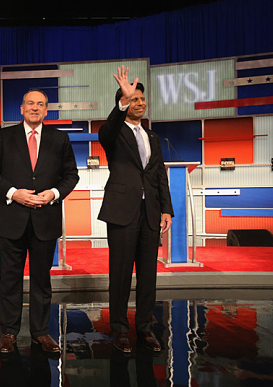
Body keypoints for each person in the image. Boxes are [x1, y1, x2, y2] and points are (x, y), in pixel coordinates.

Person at [0, 89, 79, 354]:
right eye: (30, 103)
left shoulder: (59, 139)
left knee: (41, 280)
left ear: (47, 110)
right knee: (10, 279)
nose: (35, 108)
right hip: (11, 218)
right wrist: (14, 193)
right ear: (21, 109)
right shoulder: (5, 136)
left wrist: (54, 194)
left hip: (45, 219)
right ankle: (9, 332)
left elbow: (71, 175)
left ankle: (40, 332)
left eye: (41, 104)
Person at [98, 66, 174, 354]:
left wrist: (166, 209)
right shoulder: (114, 134)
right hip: (121, 211)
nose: (140, 103)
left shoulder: (153, 137)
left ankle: (144, 328)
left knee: (147, 274)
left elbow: (159, 175)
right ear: (125, 103)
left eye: (142, 100)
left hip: (150, 213)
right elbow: (107, 129)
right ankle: (119, 330)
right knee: (119, 274)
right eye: (135, 99)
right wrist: (121, 102)